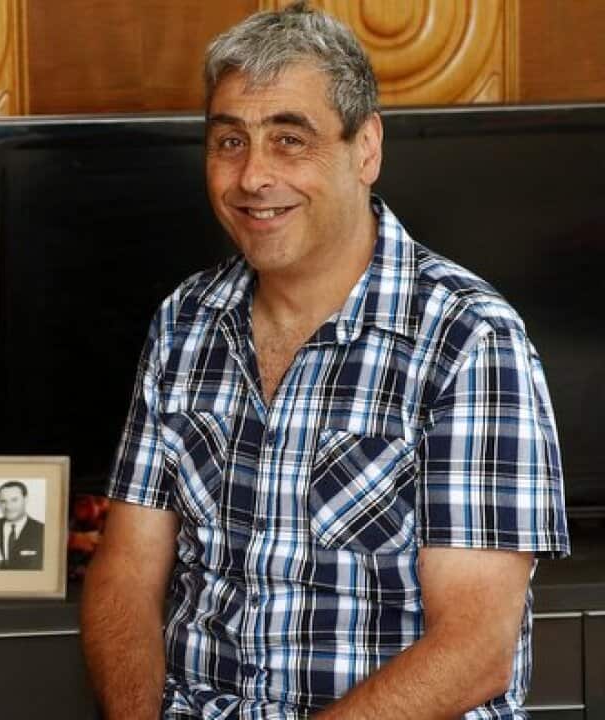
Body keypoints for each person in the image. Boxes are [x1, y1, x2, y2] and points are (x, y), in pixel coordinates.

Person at [80, 4, 570, 719]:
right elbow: (125, 571)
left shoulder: (470, 339)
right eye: (229, 141)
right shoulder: (184, 322)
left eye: (289, 139)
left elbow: (476, 647)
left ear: (364, 148)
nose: (252, 177)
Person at [0, 481, 44, 570]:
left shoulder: (43, 531)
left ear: (26, 499)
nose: (8, 506)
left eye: (14, 500)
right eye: (3, 501)